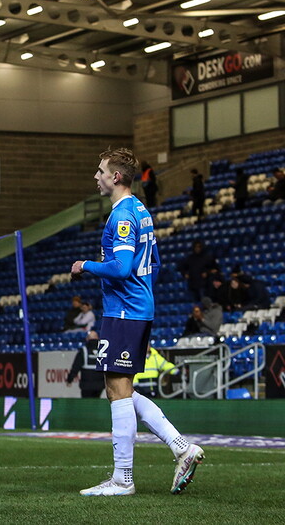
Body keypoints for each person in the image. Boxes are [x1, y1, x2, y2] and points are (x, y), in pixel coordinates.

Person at [71, 147, 203, 496]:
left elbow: (122, 267)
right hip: (135, 308)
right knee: (120, 389)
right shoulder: (142, 211)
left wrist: (86, 265)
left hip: (124, 312)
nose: (96, 177)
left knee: (116, 390)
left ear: (116, 177)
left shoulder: (123, 216)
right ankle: (180, 448)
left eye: (100, 171)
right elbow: (154, 264)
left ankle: (123, 479)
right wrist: (139, 294)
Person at [66, 331, 104, 398]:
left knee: (86, 404)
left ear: (87, 339)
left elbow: (75, 367)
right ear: (98, 338)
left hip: (86, 384)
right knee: (97, 403)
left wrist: (70, 379)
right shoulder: (103, 351)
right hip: (100, 385)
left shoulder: (83, 350)